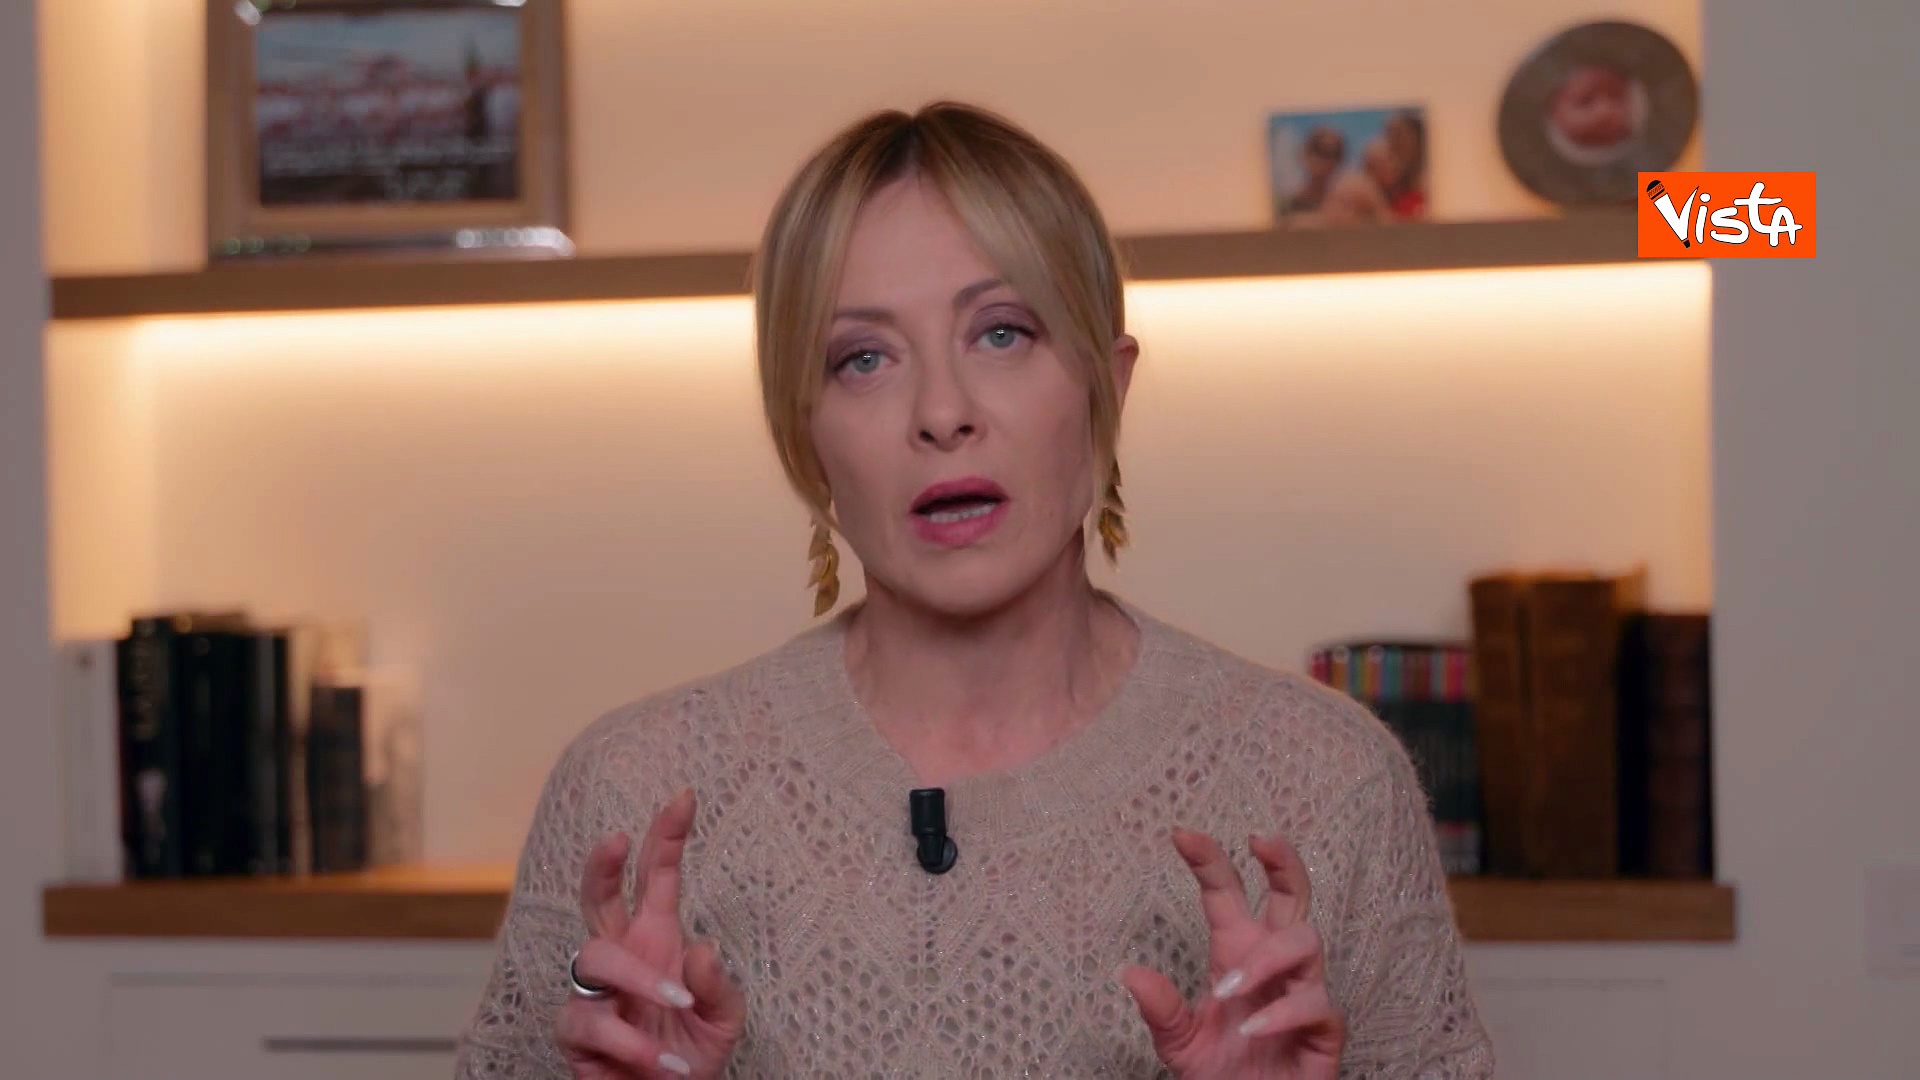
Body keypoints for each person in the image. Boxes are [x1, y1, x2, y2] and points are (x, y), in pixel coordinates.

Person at [452, 101, 1495, 1079]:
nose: (942, 412)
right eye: (863, 358)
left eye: (1003, 332)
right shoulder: (629, 795)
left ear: (1108, 388)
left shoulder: (1325, 784)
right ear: (802, 436)